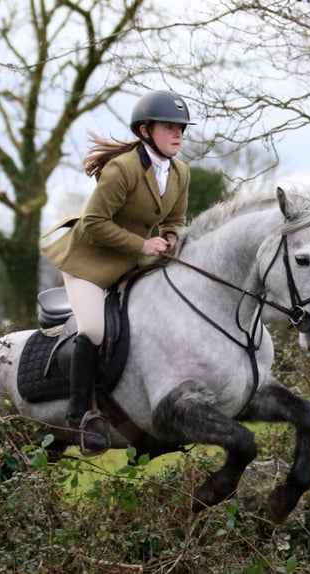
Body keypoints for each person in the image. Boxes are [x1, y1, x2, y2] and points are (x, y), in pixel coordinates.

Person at [41, 90, 195, 442]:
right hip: (89, 263)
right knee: (93, 330)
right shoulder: (122, 168)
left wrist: (170, 240)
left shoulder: (180, 172)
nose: (178, 135)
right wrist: (143, 244)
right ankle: (77, 416)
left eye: (181, 129)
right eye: (170, 127)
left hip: (131, 262)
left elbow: (175, 219)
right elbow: (94, 222)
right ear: (144, 131)